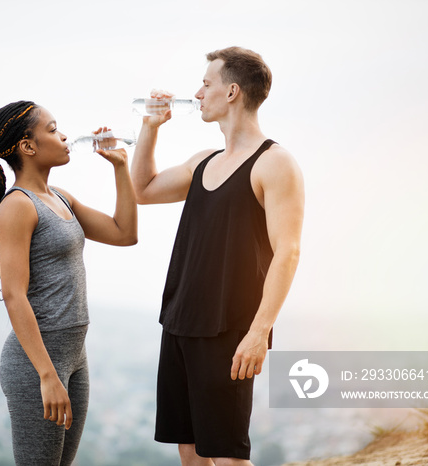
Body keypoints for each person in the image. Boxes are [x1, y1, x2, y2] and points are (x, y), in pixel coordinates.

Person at [131, 47, 304, 465]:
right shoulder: (204, 160)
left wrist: (259, 332)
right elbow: (143, 190)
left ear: (231, 92)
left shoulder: (275, 162)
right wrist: (150, 128)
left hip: (230, 328)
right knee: (188, 449)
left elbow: (288, 253)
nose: (197, 93)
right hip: (178, 321)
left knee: (225, 454)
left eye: (206, 84)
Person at [0, 101, 137, 465]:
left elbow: (124, 233)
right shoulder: (17, 206)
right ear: (27, 147)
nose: (64, 136)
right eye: (52, 129)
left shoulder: (61, 198)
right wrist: (46, 374)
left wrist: (121, 169)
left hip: (74, 355)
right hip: (37, 362)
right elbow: (14, 295)